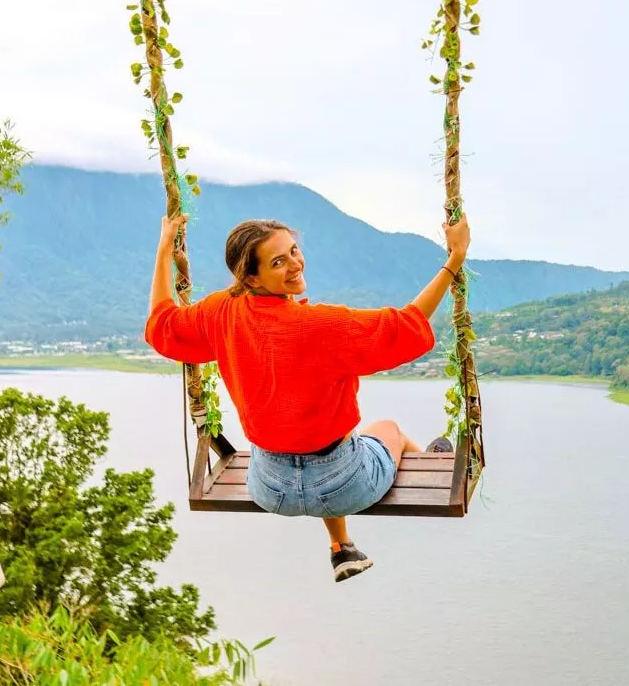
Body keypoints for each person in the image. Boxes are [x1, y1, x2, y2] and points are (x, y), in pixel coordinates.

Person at [145, 211, 471, 582]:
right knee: (386, 429)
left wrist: (164, 249)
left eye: (294, 251)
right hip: (347, 487)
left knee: (317, 440)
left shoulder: (222, 311)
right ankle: (435, 462)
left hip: (270, 490)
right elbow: (406, 325)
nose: (294, 264)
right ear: (251, 276)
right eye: (278, 261)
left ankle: (342, 547)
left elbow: (162, 324)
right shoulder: (322, 325)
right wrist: (455, 259)